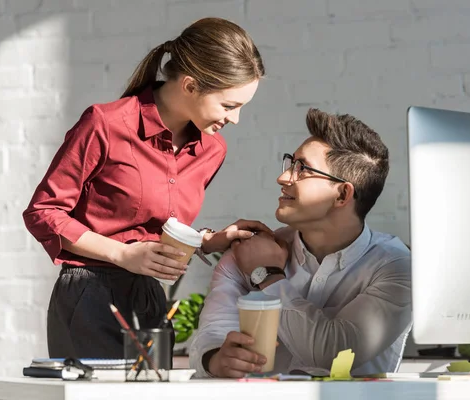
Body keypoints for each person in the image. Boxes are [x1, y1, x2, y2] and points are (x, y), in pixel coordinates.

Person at [22, 17, 270, 359]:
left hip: (150, 297)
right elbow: (43, 212)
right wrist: (123, 254)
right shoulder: (106, 125)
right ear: (189, 86)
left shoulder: (212, 150)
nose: (235, 119)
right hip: (90, 295)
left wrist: (208, 241)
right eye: (229, 105)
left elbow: (157, 226)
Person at [190, 108, 412, 378]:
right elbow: (211, 336)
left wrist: (268, 277)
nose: (283, 178)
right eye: (290, 164)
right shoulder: (248, 250)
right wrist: (215, 359)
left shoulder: (395, 266)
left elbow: (336, 353)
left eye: (302, 169)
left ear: (342, 194)